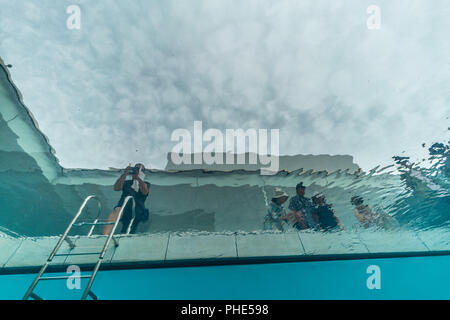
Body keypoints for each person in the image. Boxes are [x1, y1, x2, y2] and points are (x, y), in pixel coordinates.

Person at [102, 163, 150, 235]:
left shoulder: (145, 183)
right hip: (123, 207)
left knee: (129, 228)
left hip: (137, 209)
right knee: (116, 211)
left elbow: (145, 192)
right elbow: (116, 188)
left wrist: (138, 178)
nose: (136, 170)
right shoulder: (127, 183)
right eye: (135, 168)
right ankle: (105, 234)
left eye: (138, 169)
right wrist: (125, 174)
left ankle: (124, 236)